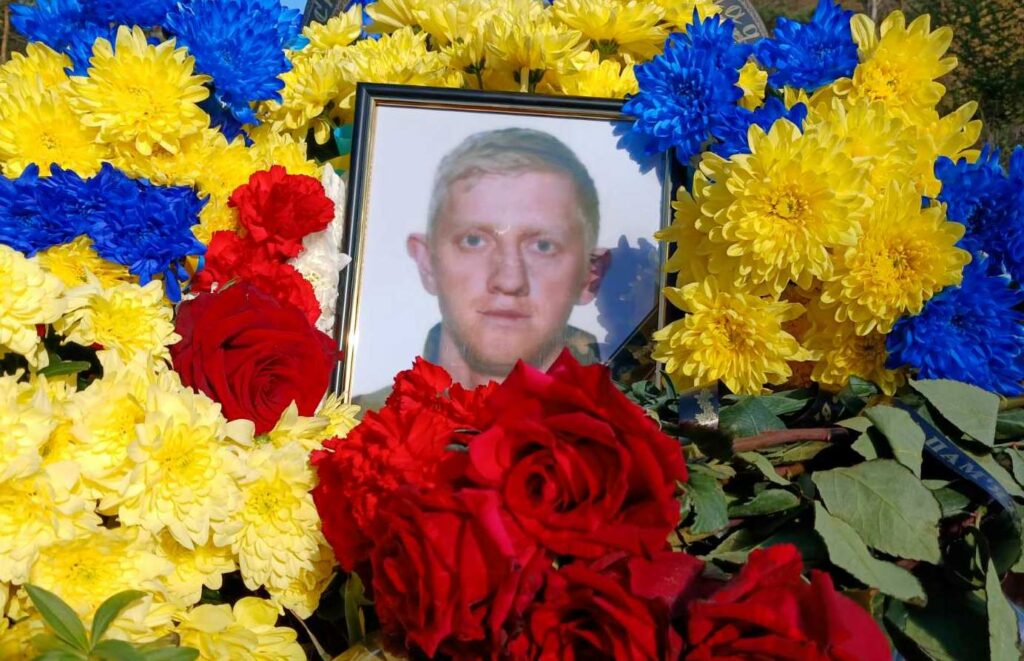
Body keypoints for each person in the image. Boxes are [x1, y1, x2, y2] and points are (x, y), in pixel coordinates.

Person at [356, 127, 609, 408]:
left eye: (543, 246)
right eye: (474, 241)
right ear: (427, 263)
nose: (509, 280)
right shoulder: (347, 428)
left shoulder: (642, 427)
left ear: (591, 275)